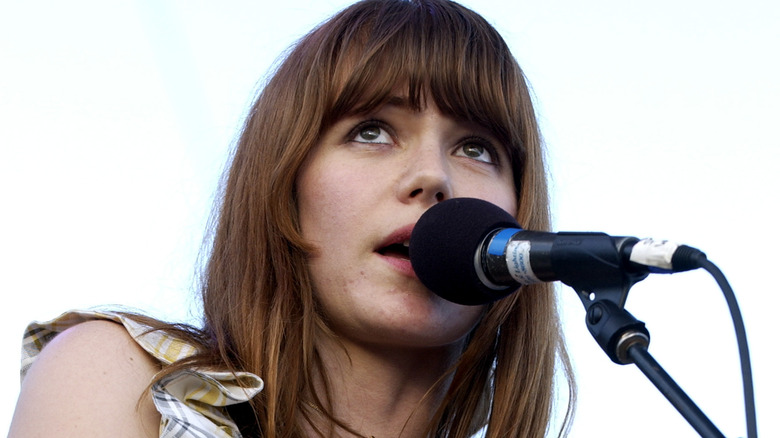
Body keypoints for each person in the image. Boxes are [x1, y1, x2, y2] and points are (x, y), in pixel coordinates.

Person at [8, 0, 575, 436]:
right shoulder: (122, 382)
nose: (433, 177)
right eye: (371, 131)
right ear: (284, 186)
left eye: (476, 148)